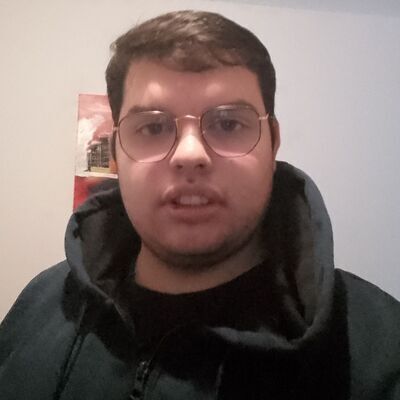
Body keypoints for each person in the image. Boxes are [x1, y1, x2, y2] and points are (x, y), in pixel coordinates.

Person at [0, 10, 399, 400]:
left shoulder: (380, 351)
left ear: (272, 143)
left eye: (228, 123)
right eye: (153, 127)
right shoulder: (43, 301)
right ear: (116, 153)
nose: (190, 154)